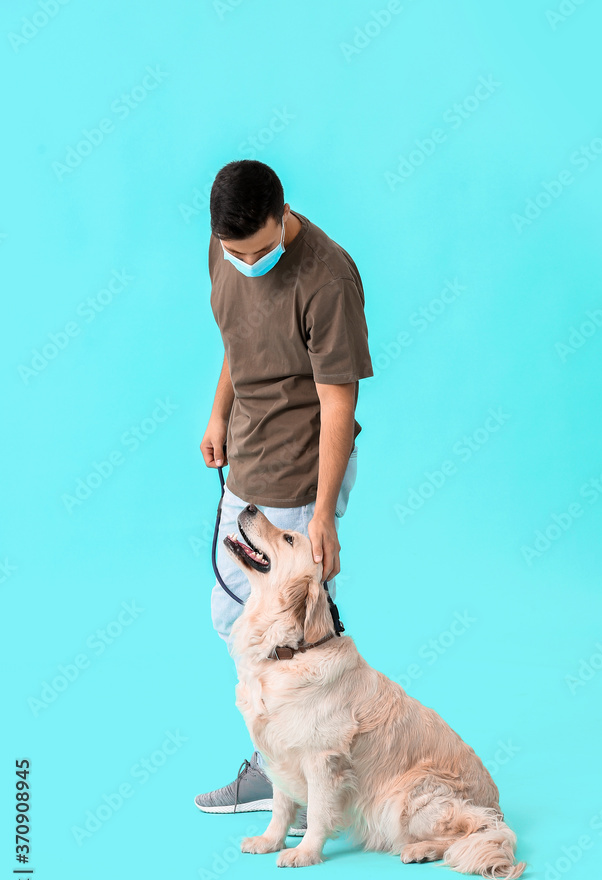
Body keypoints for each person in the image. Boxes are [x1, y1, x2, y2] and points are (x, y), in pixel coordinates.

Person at [194, 160, 373, 833]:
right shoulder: (225, 248)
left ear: (283, 213)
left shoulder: (327, 278)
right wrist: (219, 414)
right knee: (234, 618)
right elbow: (236, 339)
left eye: (261, 250)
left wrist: (323, 515)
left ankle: (300, 783)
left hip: (301, 470)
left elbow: (337, 402)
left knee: (293, 635)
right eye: (236, 253)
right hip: (247, 458)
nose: (248, 263)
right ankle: (284, 767)